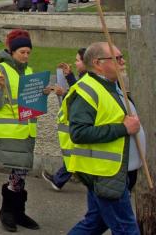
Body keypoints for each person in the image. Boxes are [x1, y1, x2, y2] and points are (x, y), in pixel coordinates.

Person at [61, 42, 143, 235]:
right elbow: (79, 133)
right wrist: (123, 128)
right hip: (104, 173)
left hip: (114, 171)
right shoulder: (86, 91)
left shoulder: (112, 85)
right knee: (127, 230)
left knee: (94, 224)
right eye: (117, 58)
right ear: (98, 63)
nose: (123, 62)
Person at [0, 29, 40, 232]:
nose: (26, 56)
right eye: (22, 52)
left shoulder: (29, 71)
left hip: (26, 131)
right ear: (12, 51)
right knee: (18, 171)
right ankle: (8, 210)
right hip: (10, 131)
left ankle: (16, 211)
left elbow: (31, 102)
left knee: (22, 172)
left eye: (28, 52)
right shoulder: (0, 70)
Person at [42, 47, 87, 190]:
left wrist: (64, 93)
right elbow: (78, 90)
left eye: (78, 60)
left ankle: (59, 179)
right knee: (76, 153)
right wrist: (69, 76)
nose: (75, 63)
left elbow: (81, 98)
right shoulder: (86, 77)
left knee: (77, 153)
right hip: (82, 122)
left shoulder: (89, 78)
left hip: (83, 122)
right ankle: (59, 179)